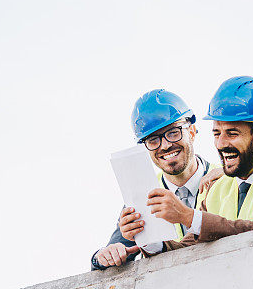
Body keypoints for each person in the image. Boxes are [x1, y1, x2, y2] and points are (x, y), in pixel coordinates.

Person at [120, 76, 253, 252]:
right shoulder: (214, 187)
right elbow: (188, 248)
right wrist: (148, 242)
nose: (221, 144)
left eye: (232, 134)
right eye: (217, 133)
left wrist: (187, 216)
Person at [91, 89, 218, 270]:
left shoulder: (224, 180)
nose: (165, 145)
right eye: (153, 140)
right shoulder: (142, 196)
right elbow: (109, 257)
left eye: (173, 133)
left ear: (192, 131)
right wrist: (102, 257)